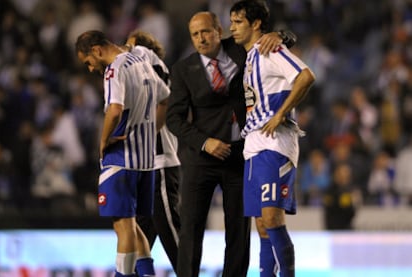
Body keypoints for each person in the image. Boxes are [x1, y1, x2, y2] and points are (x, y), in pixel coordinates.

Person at [166, 10, 296, 277]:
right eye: (194, 34)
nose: (200, 39)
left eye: (205, 32)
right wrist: (204, 142)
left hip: (239, 156)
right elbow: (173, 119)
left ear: (219, 31)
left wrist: (279, 35)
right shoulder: (182, 70)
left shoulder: (241, 50)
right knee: (190, 229)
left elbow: (285, 44)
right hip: (200, 159)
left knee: (238, 231)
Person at [229, 1, 315, 276]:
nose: (232, 27)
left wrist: (280, 113)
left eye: (238, 21)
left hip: (275, 141)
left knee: (271, 218)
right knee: (262, 225)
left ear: (255, 24)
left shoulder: (269, 49)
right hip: (253, 144)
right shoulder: (251, 56)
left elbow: (305, 76)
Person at [75, 30, 170, 277]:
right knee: (132, 224)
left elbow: (115, 109)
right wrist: (153, 129)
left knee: (122, 225)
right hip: (146, 161)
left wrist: (103, 140)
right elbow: (165, 97)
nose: (90, 68)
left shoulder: (114, 69)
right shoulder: (141, 62)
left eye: (88, 62)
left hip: (122, 158)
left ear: (96, 50)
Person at [125, 30, 180, 274]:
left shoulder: (144, 58)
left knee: (171, 230)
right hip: (147, 166)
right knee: (141, 233)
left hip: (160, 163)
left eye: (129, 45)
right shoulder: (145, 77)